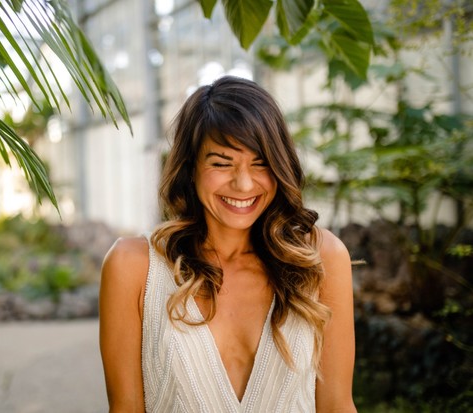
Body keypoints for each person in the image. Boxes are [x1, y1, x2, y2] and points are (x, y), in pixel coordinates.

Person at [99, 76, 356, 412]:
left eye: (261, 163)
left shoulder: (319, 259)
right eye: (221, 163)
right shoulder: (133, 267)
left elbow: (337, 405)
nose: (243, 183)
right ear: (191, 168)